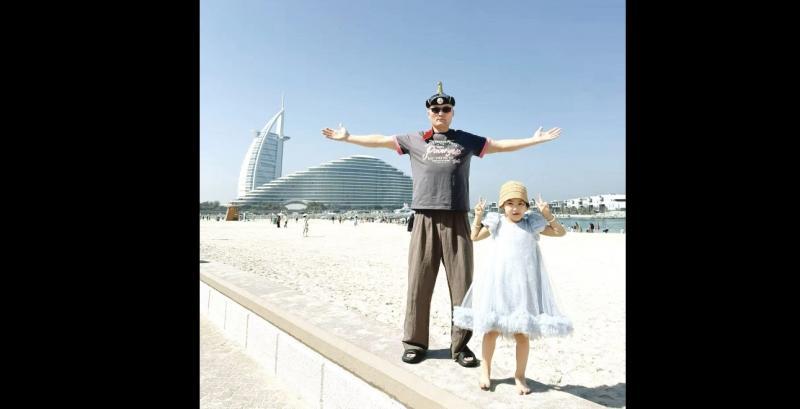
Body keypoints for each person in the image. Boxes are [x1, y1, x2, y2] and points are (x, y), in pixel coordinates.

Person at [321, 82, 562, 368]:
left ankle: (460, 346)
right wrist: (348, 138)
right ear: (428, 113)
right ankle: (415, 343)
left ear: (452, 113)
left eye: (446, 109)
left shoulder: (464, 140)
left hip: (456, 218)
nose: (440, 113)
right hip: (424, 218)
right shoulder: (414, 139)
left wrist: (534, 140)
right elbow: (381, 140)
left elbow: (498, 146)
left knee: (461, 285)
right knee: (419, 283)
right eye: (435, 110)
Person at [454, 181, 573, 394]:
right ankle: (485, 371)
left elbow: (560, 232)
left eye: (520, 203)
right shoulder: (497, 223)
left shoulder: (531, 224)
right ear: (502, 206)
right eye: (510, 203)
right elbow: (474, 237)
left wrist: (547, 214)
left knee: (522, 334)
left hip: (523, 288)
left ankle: (519, 375)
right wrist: (478, 217)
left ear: (527, 206)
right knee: (491, 331)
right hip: (499, 286)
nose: (515, 208)